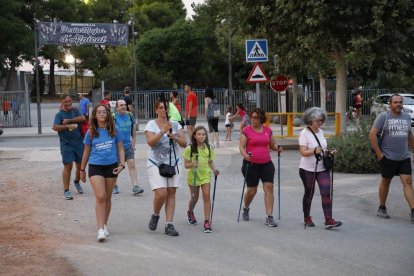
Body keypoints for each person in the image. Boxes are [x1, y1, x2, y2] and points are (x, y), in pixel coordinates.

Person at [80, 104, 125, 241]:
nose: (101, 114)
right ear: (95, 115)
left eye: (104, 112)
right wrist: (81, 170)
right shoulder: (91, 132)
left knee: (108, 197)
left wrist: (122, 164)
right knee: (100, 196)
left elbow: (121, 148)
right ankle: (100, 229)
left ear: (108, 114)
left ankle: (105, 225)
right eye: (99, 112)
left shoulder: (114, 130)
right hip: (95, 166)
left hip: (111, 166)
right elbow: (86, 151)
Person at [369, 94, 414, 223]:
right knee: (385, 181)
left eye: (400, 102)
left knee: (408, 182)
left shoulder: (406, 117)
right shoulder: (384, 117)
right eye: (395, 102)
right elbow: (372, 134)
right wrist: (379, 155)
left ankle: (413, 211)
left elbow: (409, 135)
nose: (398, 104)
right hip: (387, 157)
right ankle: (381, 207)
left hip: (404, 156)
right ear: (390, 104)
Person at [145, 99, 187, 236]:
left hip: (173, 162)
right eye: (161, 108)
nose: (163, 110)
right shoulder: (151, 124)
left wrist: (174, 136)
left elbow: (184, 143)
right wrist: (162, 132)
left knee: (171, 193)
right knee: (161, 193)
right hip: (156, 162)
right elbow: (151, 143)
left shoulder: (175, 124)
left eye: (165, 108)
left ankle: (169, 224)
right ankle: (156, 214)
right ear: (156, 110)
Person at [299, 107, 342, 229]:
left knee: (325, 192)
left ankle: (328, 220)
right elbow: (303, 152)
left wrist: (329, 151)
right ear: (310, 120)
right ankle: (306, 217)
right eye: (318, 120)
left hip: (322, 167)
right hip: (307, 169)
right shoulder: (304, 133)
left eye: (322, 120)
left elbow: (322, 148)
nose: (320, 123)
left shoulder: (321, 132)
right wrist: (314, 151)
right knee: (309, 193)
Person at [239, 107, 282, 227]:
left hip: (266, 164)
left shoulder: (268, 130)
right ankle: (246, 208)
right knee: (252, 190)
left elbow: (272, 145)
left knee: (269, 188)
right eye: (252, 117)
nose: (253, 120)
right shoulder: (246, 131)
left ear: (261, 118)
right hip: (250, 164)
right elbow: (241, 147)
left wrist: (277, 148)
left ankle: (269, 216)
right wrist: (245, 155)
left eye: (256, 118)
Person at [183, 126, 219, 233]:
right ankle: (190, 212)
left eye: (203, 134)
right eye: (199, 134)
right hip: (193, 176)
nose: (201, 136)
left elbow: (210, 162)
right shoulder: (190, 148)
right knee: (195, 198)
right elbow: (186, 165)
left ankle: (207, 221)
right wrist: (192, 164)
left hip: (205, 176)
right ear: (194, 135)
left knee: (207, 196)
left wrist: (215, 170)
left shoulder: (209, 147)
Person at [52, 94, 85, 200]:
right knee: (68, 166)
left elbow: (83, 118)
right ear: (62, 102)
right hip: (66, 144)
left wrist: (70, 121)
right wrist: (67, 126)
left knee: (80, 167)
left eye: (70, 101)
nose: (68, 103)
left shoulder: (75, 110)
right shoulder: (59, 115)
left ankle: (76, 182)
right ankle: (66, 190)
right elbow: (55, 127)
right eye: (66, 101)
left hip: (79, 142)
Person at [112, 99, 144, 195]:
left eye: (124, 105)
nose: (123, 107)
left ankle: (135, 186)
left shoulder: (130, 115)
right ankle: (114, 185)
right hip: (117, 147)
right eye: (121, 105)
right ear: (117, 108)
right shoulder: (113, 117)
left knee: (132, 164)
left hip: (128, 145)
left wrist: (133, 143)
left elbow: (133, 130)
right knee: (116, 167)